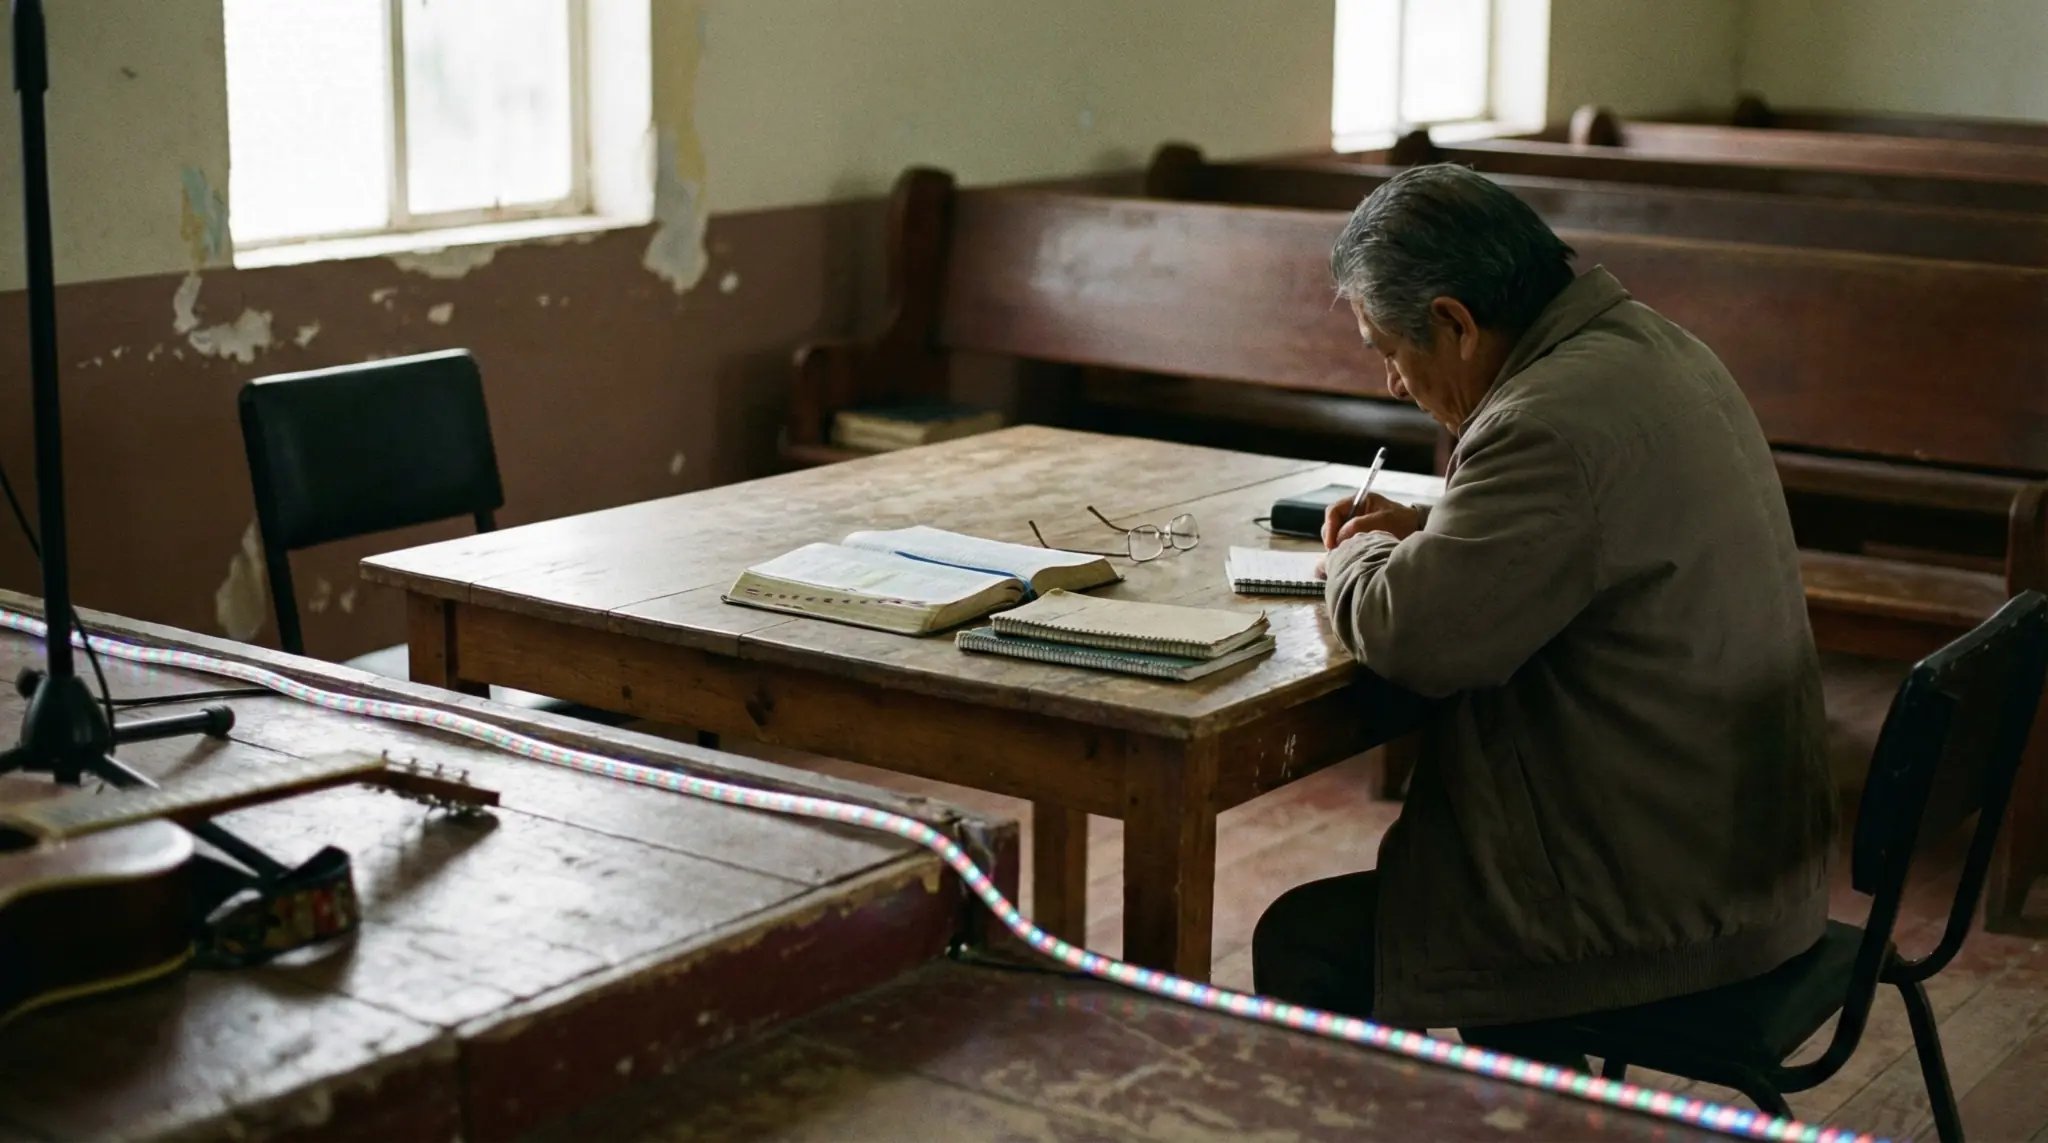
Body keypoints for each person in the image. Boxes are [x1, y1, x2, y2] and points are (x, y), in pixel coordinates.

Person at [1253, 164, 1838, 1051]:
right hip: (1749, 866)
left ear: (1453, 322)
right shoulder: (1652, 347)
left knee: (1302, 941)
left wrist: (1359, 550)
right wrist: (1439, 525)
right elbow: (1593, 532)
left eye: (1386, 349)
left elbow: (1416, 637)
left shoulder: (1543, 421)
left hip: (1651, 912)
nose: (1392, 383)